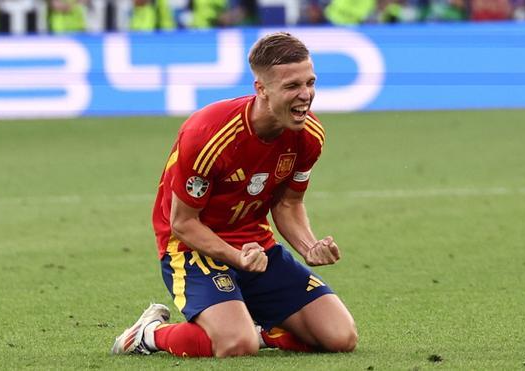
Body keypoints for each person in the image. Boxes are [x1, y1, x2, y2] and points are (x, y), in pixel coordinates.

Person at [111, 32, 358, 358]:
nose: (306, 95)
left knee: (340, 337)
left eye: (310, 83)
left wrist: (308, 245)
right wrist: (235, 256)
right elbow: (182, 223)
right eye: (292, 87)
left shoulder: (308, 136)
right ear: (261, 90)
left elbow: (288, 203)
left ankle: (252, 327)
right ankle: (149, 335)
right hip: (190, 248)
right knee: (236, 345)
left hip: (255, 247)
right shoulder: (208, 134)